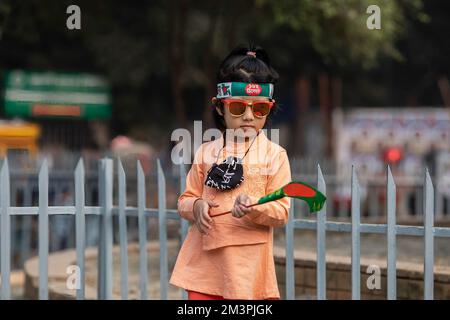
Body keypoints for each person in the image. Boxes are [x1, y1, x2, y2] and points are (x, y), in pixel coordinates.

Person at [169, 44, 292, 300]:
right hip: (204, 263)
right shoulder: (206, 152)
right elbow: (184, 200)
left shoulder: (275, 155)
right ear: (219, 107)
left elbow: (281, 211)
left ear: (269, 109)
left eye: (259, 109)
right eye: (238, 107)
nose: (249, 116)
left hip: (247, 268)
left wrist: (256, 205)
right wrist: (197, 206)